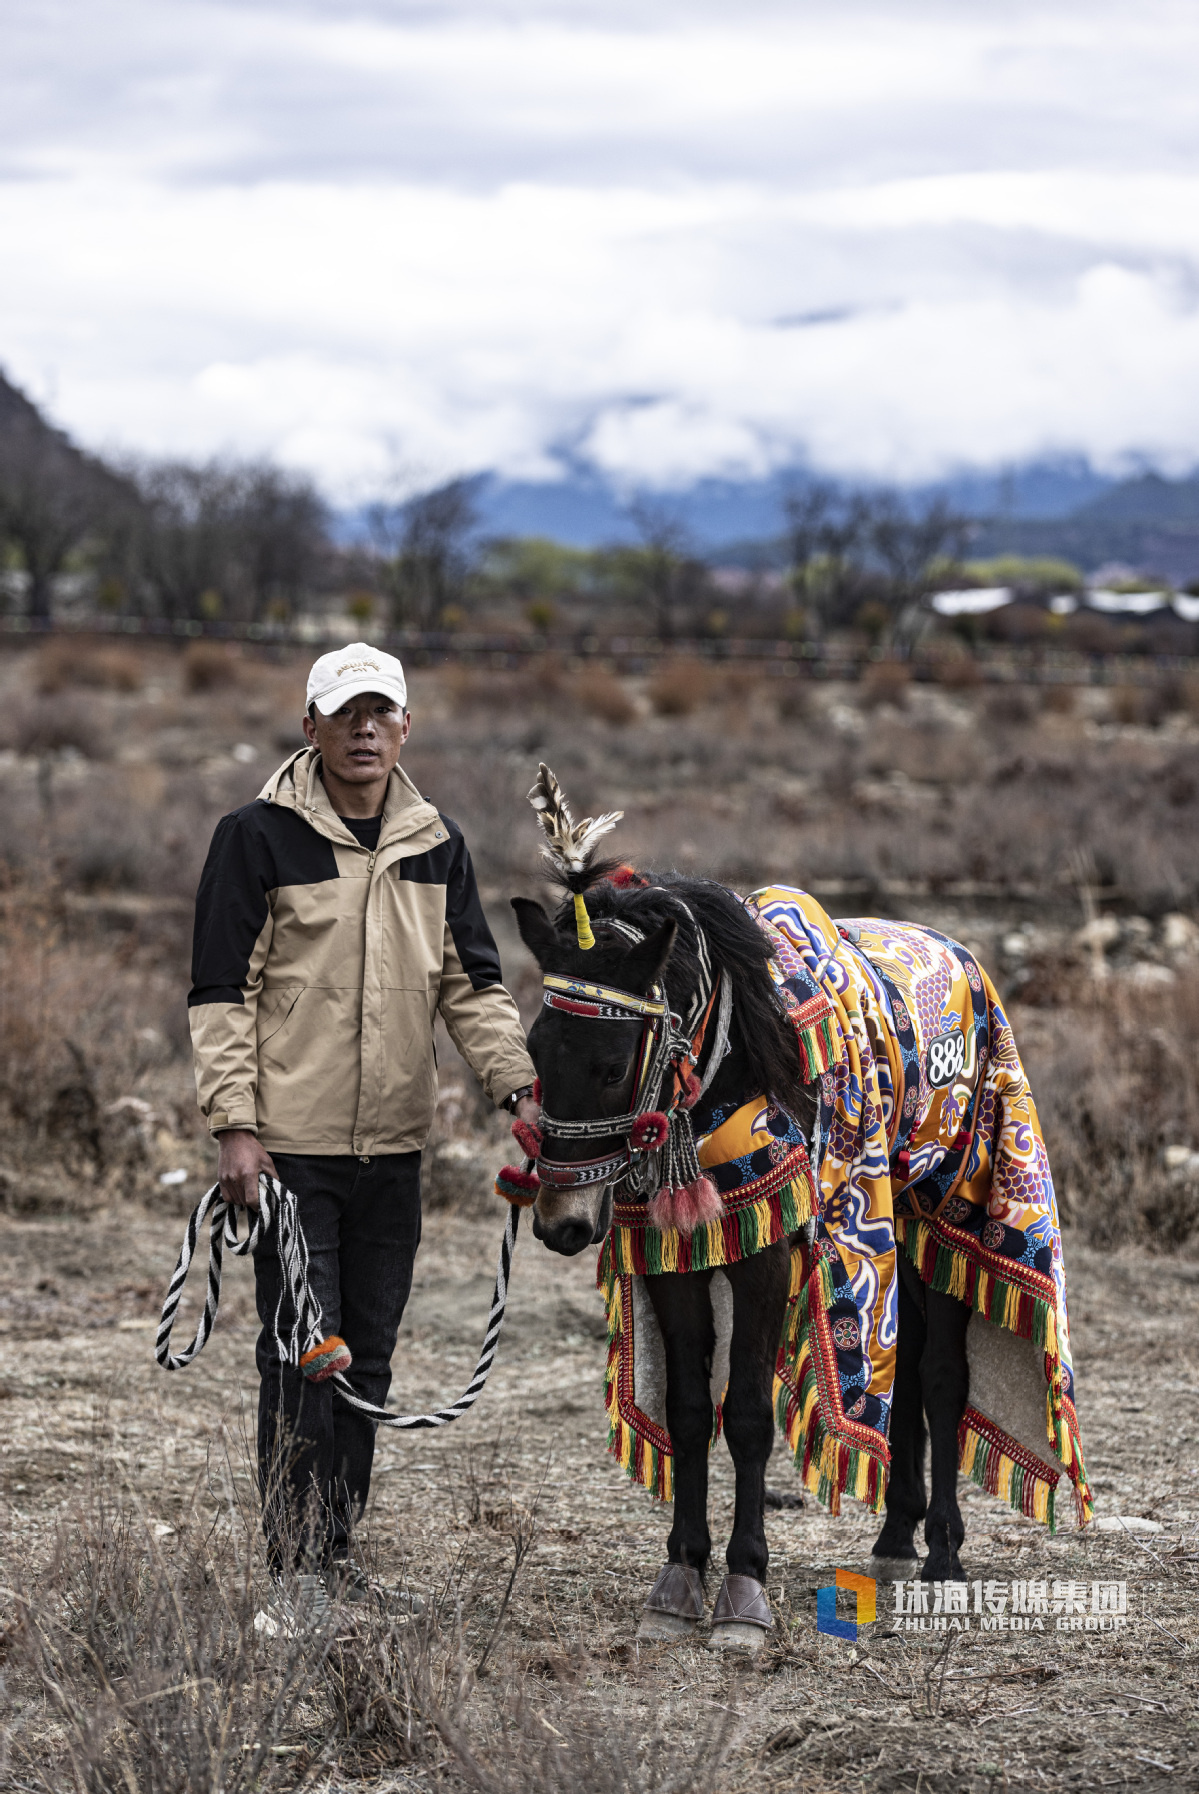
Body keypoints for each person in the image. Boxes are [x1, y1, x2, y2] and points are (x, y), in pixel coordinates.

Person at [188, 642, 538, 1595]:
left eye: (380, 713)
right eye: (345, 714)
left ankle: (336, 1557)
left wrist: (521, 1092)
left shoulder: (437, 843)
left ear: (405, 728)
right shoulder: (254, 837)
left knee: (368, 1360)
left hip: (394, 1149)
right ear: (311, 727)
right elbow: (222, 992)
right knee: (306, 1354)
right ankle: (294, 1570)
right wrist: (236, 1126)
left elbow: (472, 985)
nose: (364, 730)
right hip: (290, 1153)